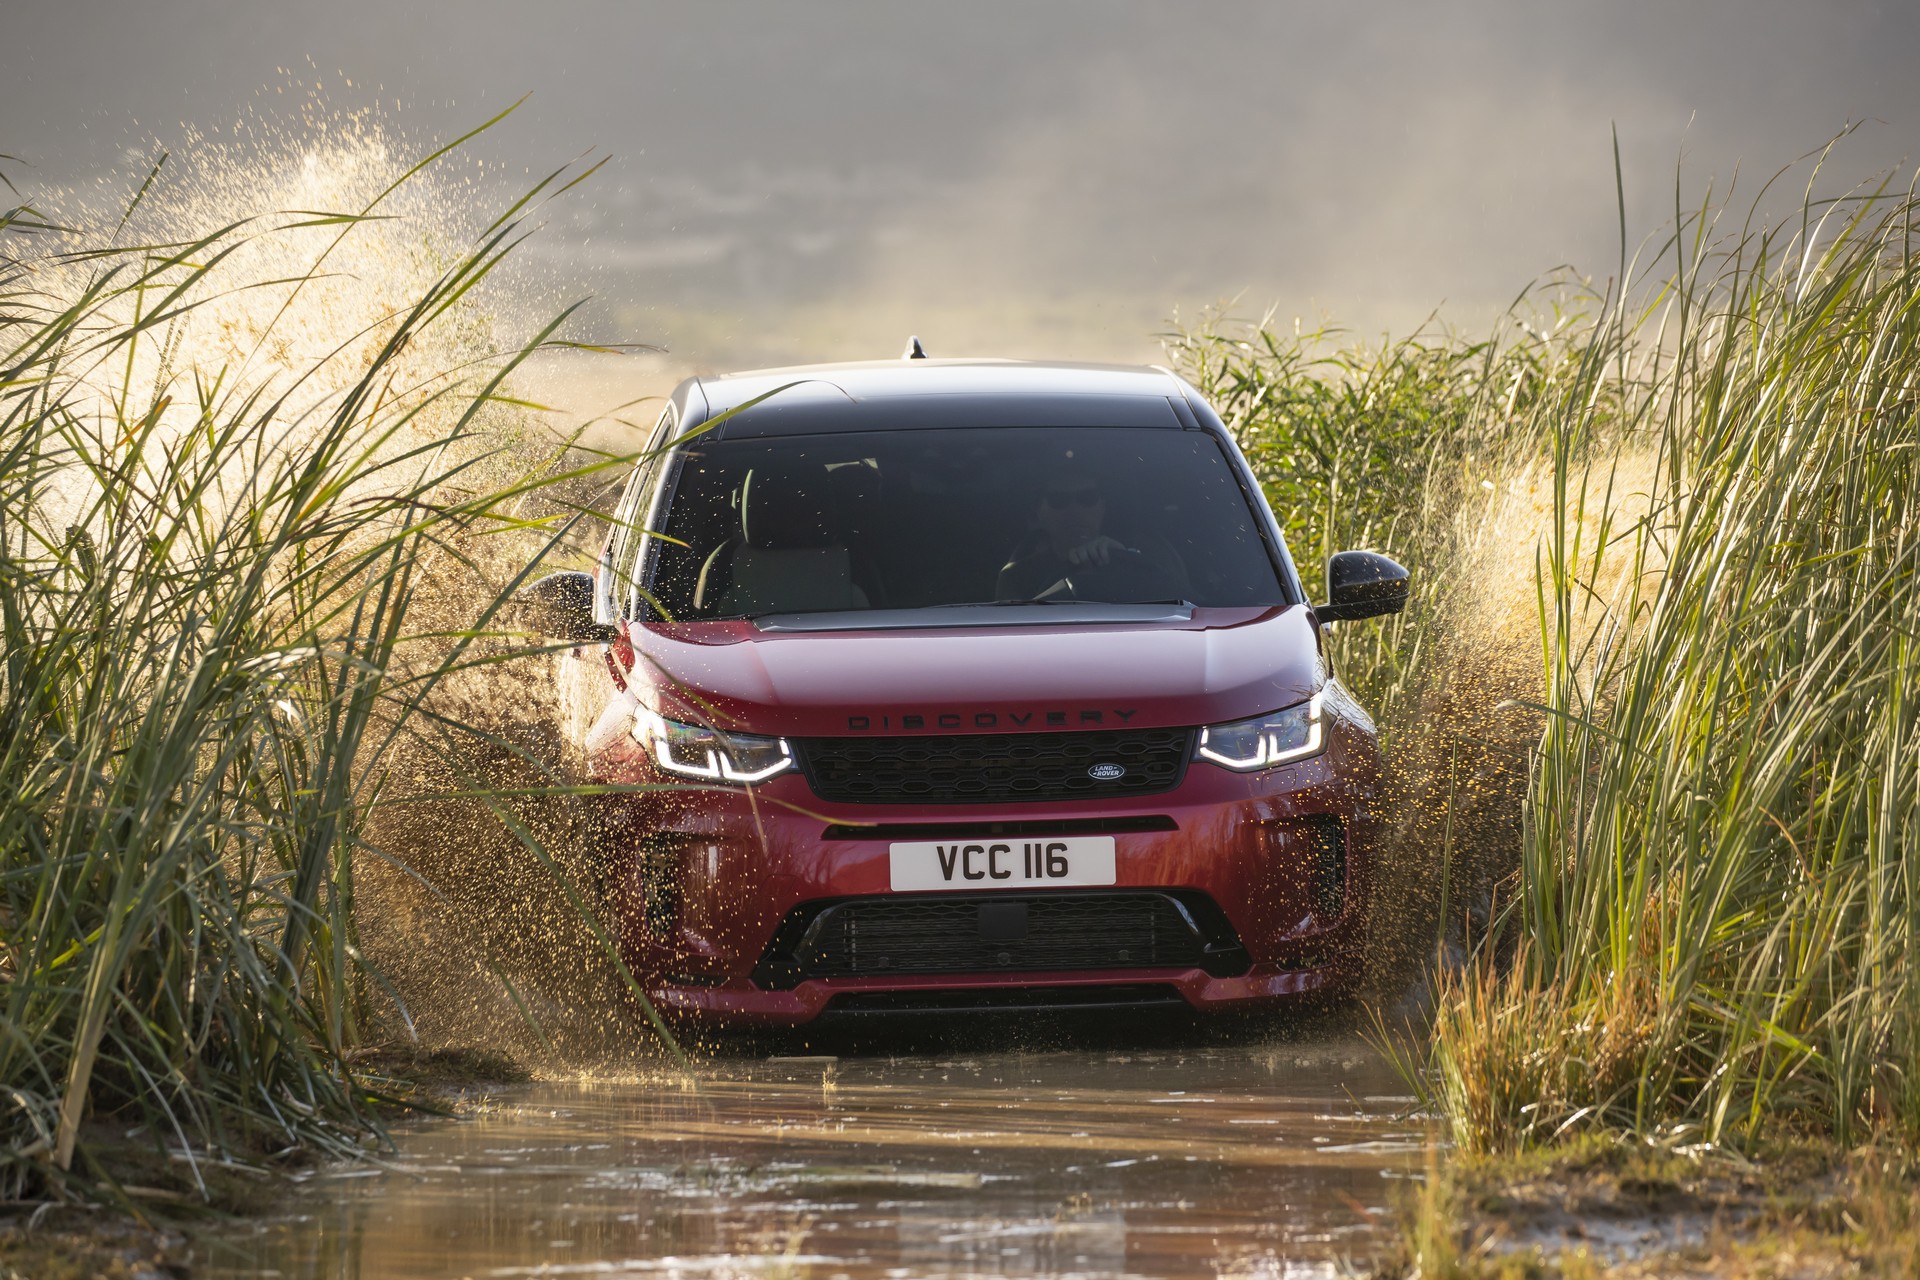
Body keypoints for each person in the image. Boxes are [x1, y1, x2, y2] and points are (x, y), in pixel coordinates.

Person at [995, 471, 1187, 602]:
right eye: (1058, 501)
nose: (1074, 511)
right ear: (1038, 512)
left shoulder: (1149, 555)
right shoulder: (1018, 577)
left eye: (1087, 498)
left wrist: (1127, 560)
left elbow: (1183, 605)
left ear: (1102, 507)